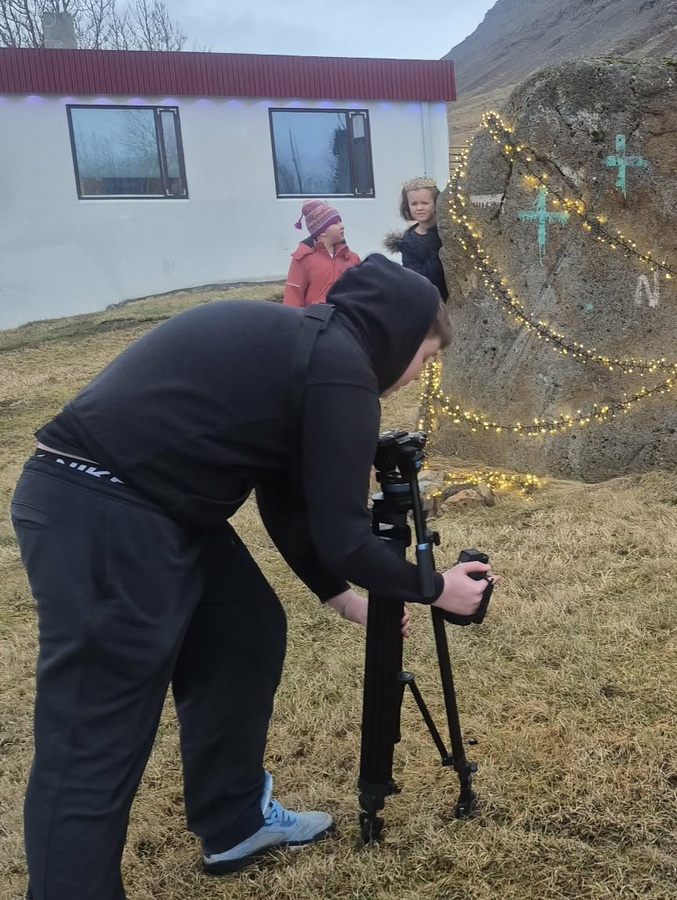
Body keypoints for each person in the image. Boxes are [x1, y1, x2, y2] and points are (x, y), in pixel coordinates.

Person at [10, 254, 494, 899]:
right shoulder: (342, 369)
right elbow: (345, 536)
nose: (415, 377)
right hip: (102, 508)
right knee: (94, 731)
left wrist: (340, 596)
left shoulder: (313, 348)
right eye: (426, 359)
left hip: (154, 506)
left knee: (244, 629)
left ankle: (233, 820)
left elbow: (288, 504)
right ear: (400, 335)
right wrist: (438, 588)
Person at [283, 198, 362, 307]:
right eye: (335, 223)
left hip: (346, 320)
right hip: (315, 320)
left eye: (340, 221)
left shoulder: (352, 258)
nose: (341, 226)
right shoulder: (302, 259)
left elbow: (362, 292)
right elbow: (293, 296)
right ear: (322, 232)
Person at [385, 175, 449, 301]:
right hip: (433, 303)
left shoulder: (448, 231)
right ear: (407, 206)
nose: (419, 208)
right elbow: (423, 280)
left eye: (425, 203)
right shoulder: (409, 243)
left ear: (436, 203)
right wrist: (434, 244)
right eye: (414, 204)